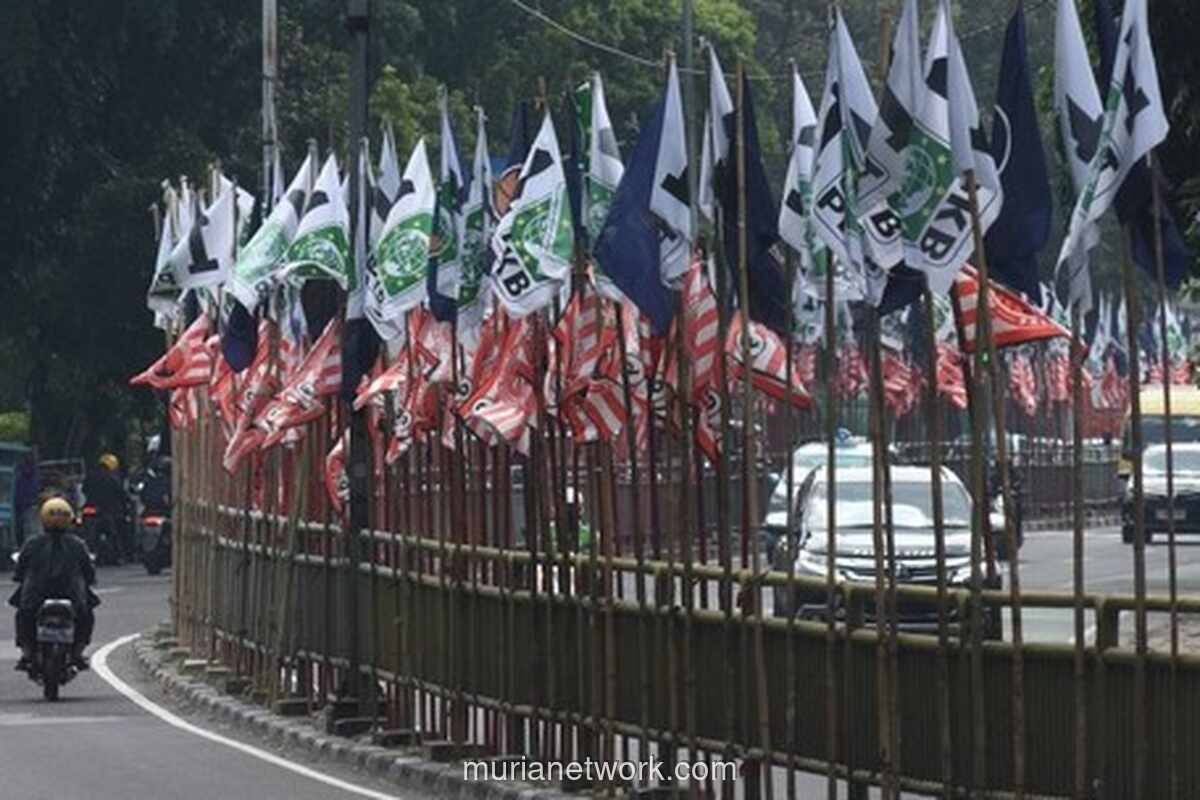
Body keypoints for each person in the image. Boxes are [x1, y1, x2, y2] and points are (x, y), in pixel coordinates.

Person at [9, 497, 97, 672]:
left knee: (23, 615)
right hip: (71, 595)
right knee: (86, 614)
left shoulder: (32, 544)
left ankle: (27, 653)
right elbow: (89, 572)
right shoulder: (77, 545)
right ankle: (78, 653)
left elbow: (19, 571)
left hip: (36, 595)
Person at [82, 453, 130, 560]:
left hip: (90, 506)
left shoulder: (90, 475)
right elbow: (121, 494)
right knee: (116, 531)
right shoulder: (112, 478)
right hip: (107, 509)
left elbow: (84, 489)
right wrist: (126, 502)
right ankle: (119, 555)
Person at [12, 451, 40, 546]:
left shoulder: (26, 470)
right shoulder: (28, 470)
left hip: (25, 503)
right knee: (22, 526)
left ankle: (22, 544)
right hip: (23, 503)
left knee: (23, 526)